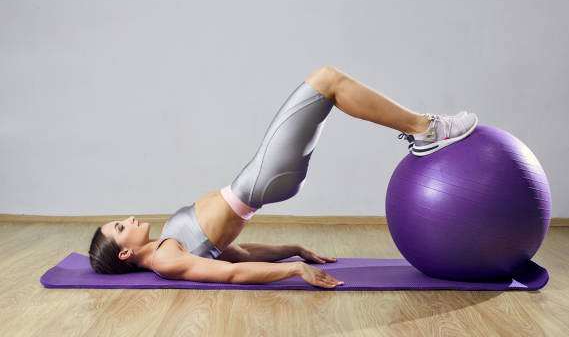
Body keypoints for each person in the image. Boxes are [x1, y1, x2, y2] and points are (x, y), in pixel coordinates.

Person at [89, 66, 478, 289]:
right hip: (261, 180)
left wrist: (293, 248)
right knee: (328, 80)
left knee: (327, 87)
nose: (130, 218)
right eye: (122, 227)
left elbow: (237, 252)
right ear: (124, 252)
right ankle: (426, 128)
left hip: (263, 179)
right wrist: (292, 271)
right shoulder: (166, 260)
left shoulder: (168, 246)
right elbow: (232, 272)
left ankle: (422, 129)